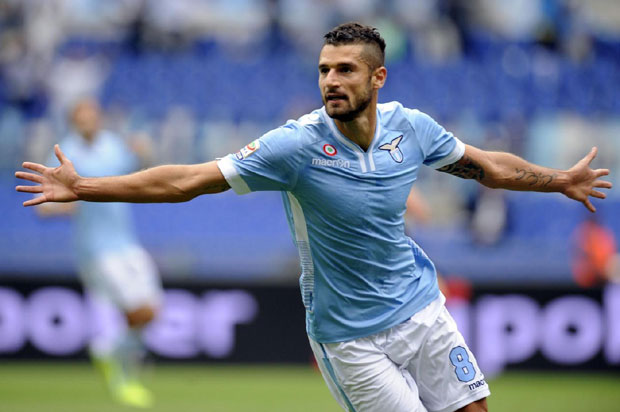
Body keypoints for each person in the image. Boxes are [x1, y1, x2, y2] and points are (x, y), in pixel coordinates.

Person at [16, 23, 612, 412]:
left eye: (345, 70)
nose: (330, 81)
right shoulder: (296, 144)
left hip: (423, 311)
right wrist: (84, 186)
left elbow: (487, 167)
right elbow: (187, 180)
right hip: (351, 337)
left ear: (377, 77)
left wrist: (559, 180)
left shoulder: (412, 128)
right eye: (324, 70)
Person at [34, 98, 162, 409]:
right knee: (138, 311)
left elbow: (137, 169)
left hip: (127, 243)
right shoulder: (65, 154)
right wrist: (64, 206)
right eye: (82, 118)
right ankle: (115, 363)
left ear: (99, 118)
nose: (88, 122)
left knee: (153, 311)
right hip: (97, 251)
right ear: (73, 122)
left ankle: (111, 355)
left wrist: (142, 153)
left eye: (92, 116)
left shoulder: (112, 145)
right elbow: (44, 206)